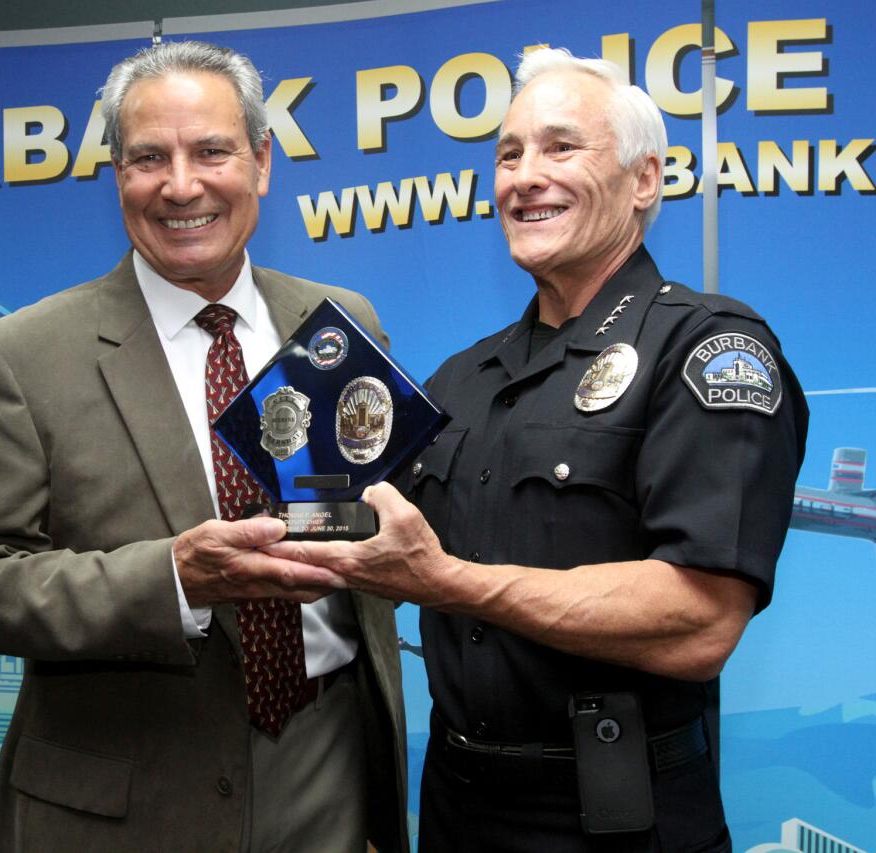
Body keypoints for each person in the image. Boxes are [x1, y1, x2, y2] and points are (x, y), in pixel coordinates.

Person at [267, 48, 809, 851]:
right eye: (508, 154)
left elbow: (699, 621)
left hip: (617, 820)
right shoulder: (461, 377)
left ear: (645, 181)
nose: (524, 175)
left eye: (561, 147)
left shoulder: (709, 349)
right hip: (454, 808)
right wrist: (280, 449)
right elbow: (340, 524)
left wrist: (453, 583)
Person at [0, 40, 408, 853]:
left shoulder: (337, 319)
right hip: (128, 802)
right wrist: (173, 578)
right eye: (149, 157)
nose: (181, 185)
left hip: (329, 768)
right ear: (119, 175)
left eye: (212, 151)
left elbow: (366, 505)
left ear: (261, 162)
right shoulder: (20, 355)